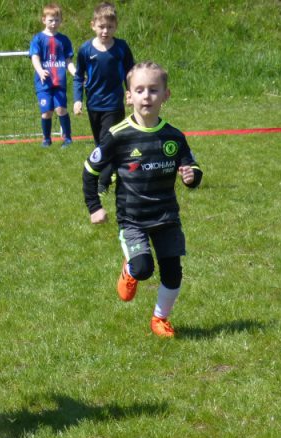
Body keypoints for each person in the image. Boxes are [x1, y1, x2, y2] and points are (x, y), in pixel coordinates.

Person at [83, 62, 203, 338]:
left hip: (166, 216)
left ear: (166, 95)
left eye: (153, 90)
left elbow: (192, 167)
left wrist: (191, 176)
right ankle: (130, 269)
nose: (146, 96)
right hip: (132, 218)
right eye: (139, 90)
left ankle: (160, 318)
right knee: (144, 269)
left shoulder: (174, 136)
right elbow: (89, 171)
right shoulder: (117, 136)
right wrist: (95, 207)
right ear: (129, 97)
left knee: (173, 272)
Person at [73, 2, 135, 192]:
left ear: (116, 26)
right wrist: (77, 100)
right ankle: (115, 167)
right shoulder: (85, 50)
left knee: (107, 142)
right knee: (101, 143)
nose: (105, 31)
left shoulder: (121, 48)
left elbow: (131, 72)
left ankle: (103, 182)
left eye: (110, 27)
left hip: (114, 104)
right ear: (93, 25)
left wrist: (131, 92)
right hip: (94, 105)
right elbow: (78, 77)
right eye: (101, 27)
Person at [30, 3, 78, 147]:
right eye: (51, 20)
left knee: (61, 109)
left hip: (59, 82)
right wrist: (40, 70)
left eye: (57, 20)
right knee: (47, 112)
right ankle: (46, 138)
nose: (54, 23)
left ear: (61, 21)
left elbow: (68, 61)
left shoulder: (64, 40)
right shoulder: (38, 39)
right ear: (44, 20)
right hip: (43, 83)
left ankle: (68, 138)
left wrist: (76, 73)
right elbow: (34, 56)